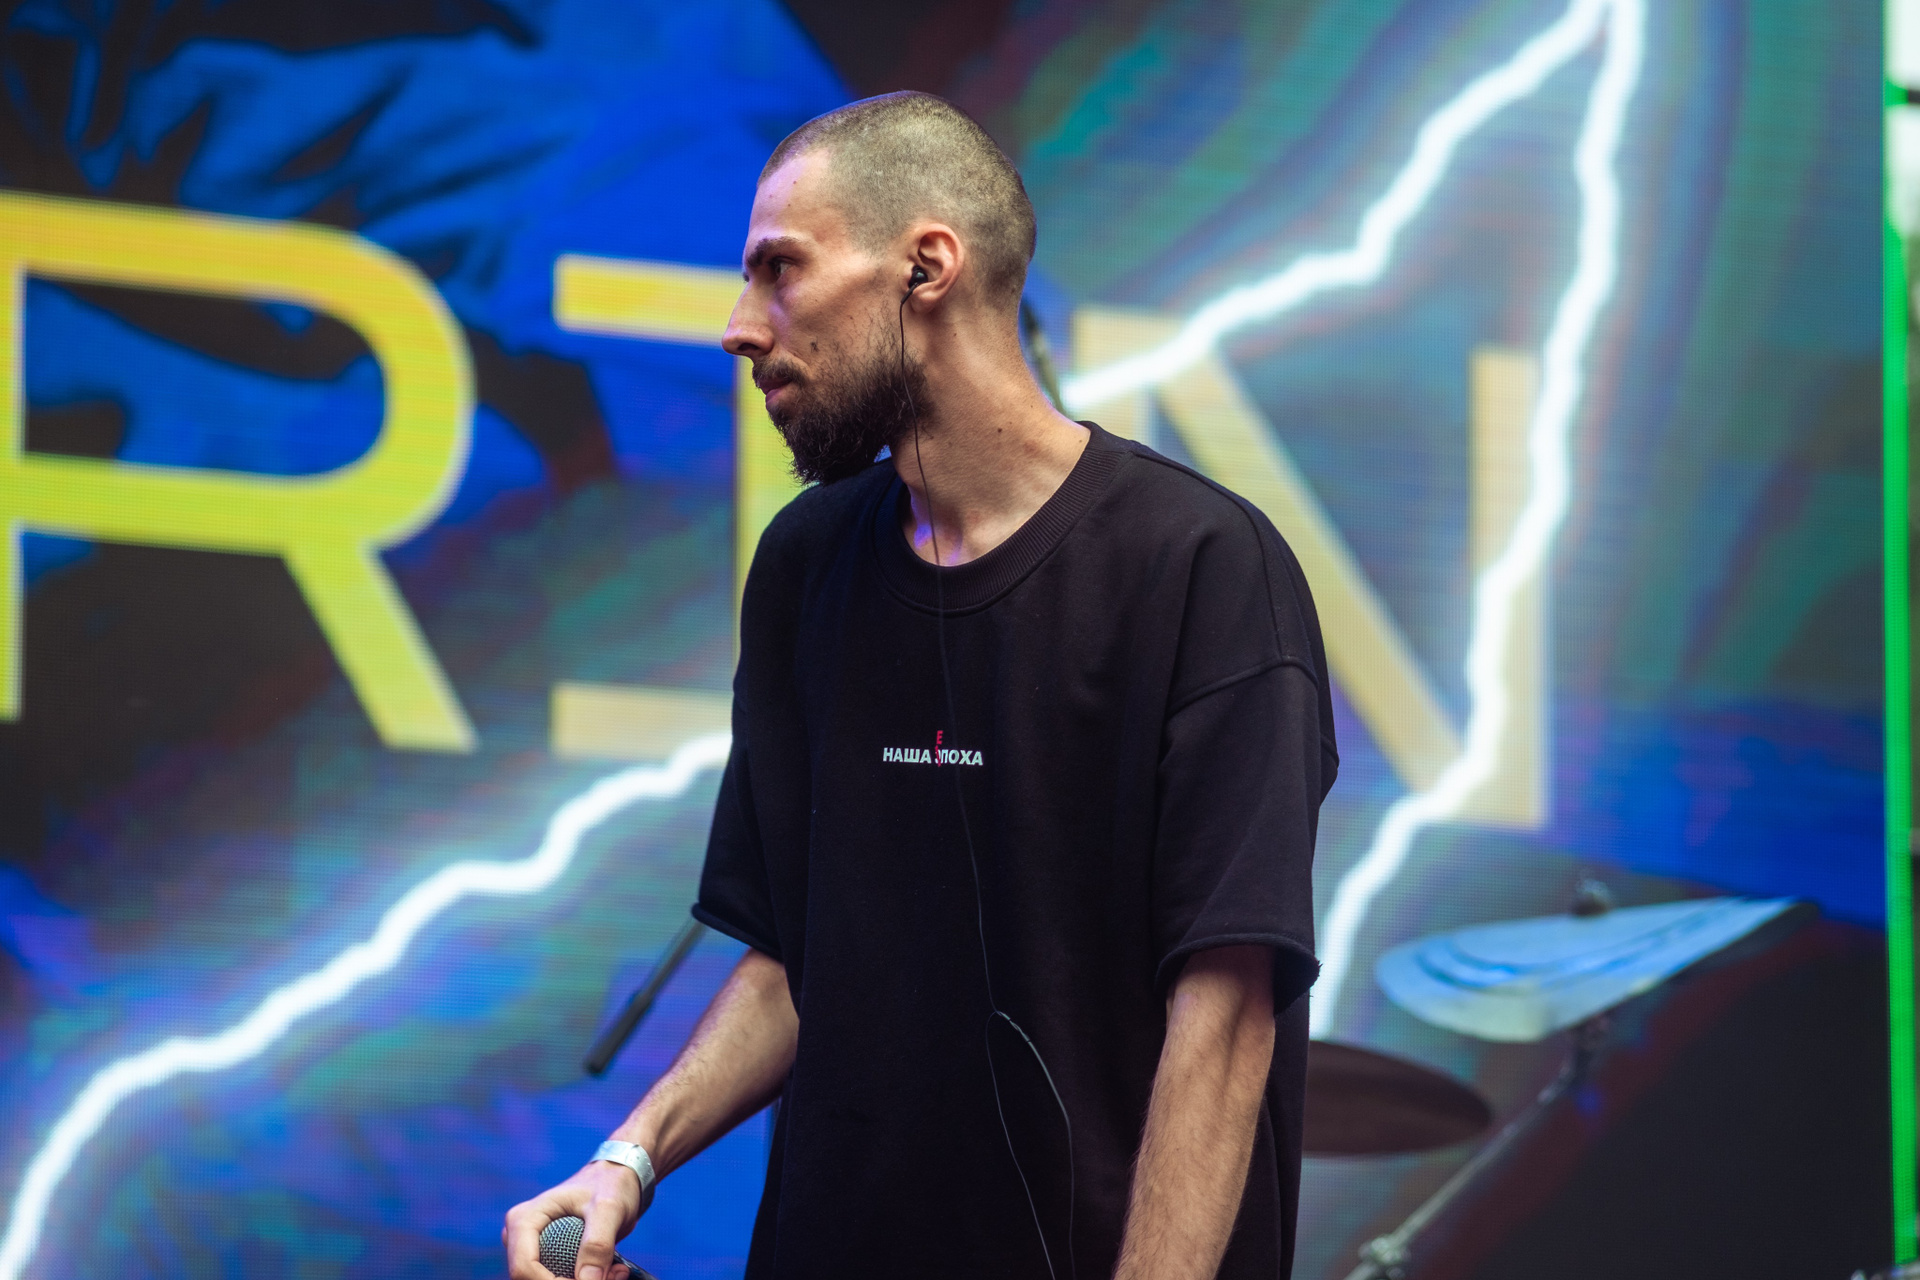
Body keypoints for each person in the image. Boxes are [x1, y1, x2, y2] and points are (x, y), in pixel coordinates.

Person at [504, 90, 1337, 1280]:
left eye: (779, 270)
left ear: (927, 267)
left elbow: (1227, 1013)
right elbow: (798, 963)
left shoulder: (1200, 565)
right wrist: (625, 1162)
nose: (740, 328)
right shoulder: (805, 563)